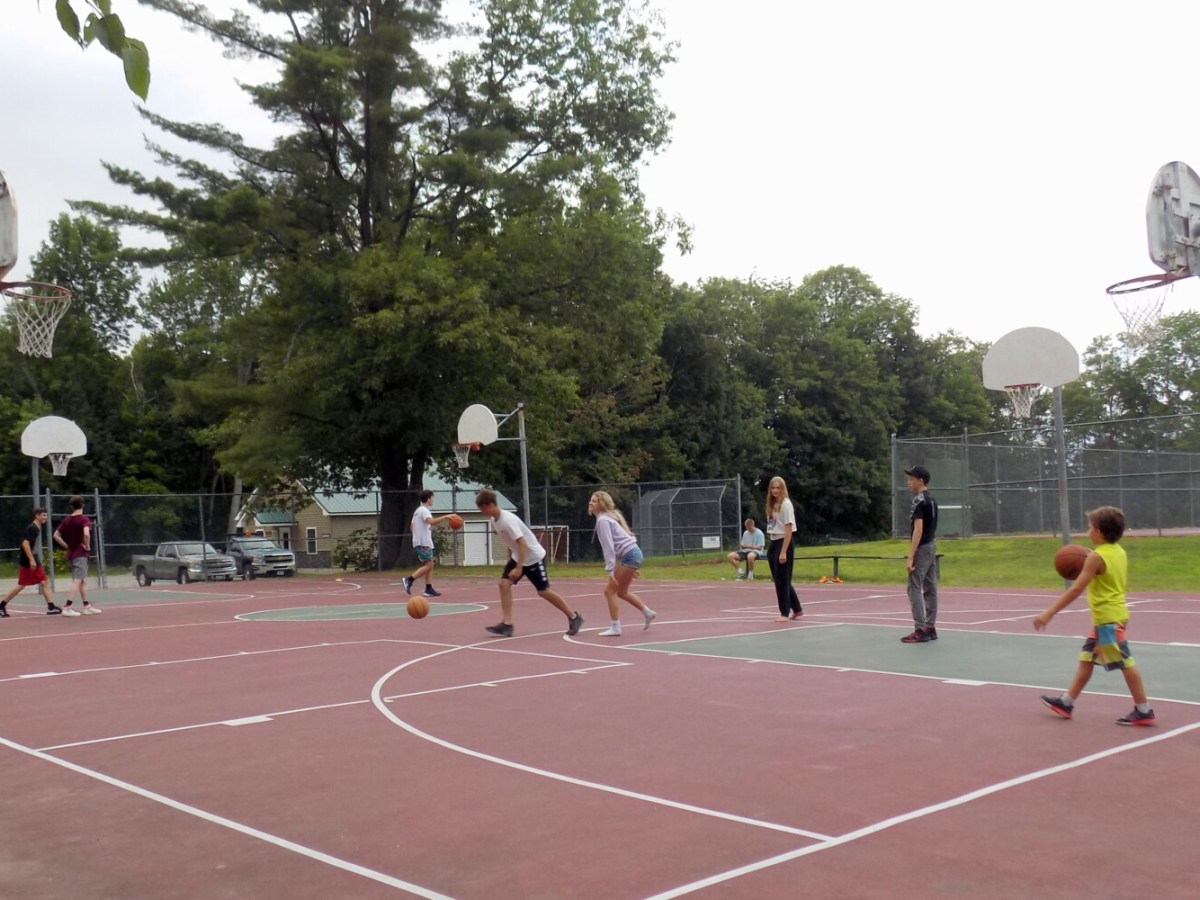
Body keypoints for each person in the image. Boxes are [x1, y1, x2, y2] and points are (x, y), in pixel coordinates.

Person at [1034, 506, 1156, 726]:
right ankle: (1066, 702)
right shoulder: (1118, 551)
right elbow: (1104, 565)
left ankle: (1143, 709)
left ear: (1099, 531)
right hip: (1113, 617)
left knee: (1125, 662)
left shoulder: (1096, 558)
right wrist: (1091, 555)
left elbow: (1076, 589)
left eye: (1090, 527)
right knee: (1087, 659)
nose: (1088, 531)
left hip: (1108, 621)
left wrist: (1049, 612)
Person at [476, 488, 583, 638]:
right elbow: (510, 543)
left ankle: (574, 617)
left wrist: (519, 568)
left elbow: (522, 543)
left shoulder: (507, 520)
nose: (482, 512)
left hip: (533, 557)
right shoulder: (494, 520)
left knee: (543, 591)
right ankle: (507, 624)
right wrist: (512, 562)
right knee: (504, 584)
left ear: (490, 505)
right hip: (518, 556)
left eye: (482, 508)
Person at [588, 491, 655, 637]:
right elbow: (618, 545)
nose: (590, 503)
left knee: (609, 591)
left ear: (602, 504)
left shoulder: (603, 520)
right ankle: (648, 612)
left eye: (594, 501)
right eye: (591, 500)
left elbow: (609, 547)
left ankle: (615, 627)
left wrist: (610, 571)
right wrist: (630, 568)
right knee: (622, 592)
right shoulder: (607, 518)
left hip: (630, 555)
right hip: (633, 555)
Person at [0, 508, 62, 617]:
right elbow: (25, 543)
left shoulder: (36, 527)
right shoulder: (33, 528)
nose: (45, 517)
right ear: (37, 515)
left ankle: (1, 606)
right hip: (29, 559)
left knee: (33, 583)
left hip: (31, 557)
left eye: (46, 515)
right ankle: (51, 607)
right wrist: (31, 559)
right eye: (43, 515)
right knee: (34, 583)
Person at [901, 465, 939, 643]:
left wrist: (911, 556)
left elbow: (918, 529)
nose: (908, 482)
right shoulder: (932, 500)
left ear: (921, 481)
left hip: (922, 547)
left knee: (914, 587)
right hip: (931, 545)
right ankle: (930, 627)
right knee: (930, 587)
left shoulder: (919, 500)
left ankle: (920, 629)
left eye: (911, 479)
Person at [53, 495, 100, 616]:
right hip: (80, 554)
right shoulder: (84, 519)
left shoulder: (67, 520)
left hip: (72, 553)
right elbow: (86, 534)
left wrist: (66, 545)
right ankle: (67, 607)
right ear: (83, 505)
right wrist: (87, 546)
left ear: (71, 506)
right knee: (77, 581)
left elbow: (56, 535)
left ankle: (86, 606)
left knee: (82, 580)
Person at [402, 490, 455, 598]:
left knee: (429, 565)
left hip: (421, 541)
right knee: (430, 565)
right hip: (423, 542)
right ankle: (409, 580)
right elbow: (431, 521)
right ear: (428, 498)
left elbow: (412, 527)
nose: (433, 500)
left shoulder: (417, 511)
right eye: (432, 498)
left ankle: (428, 589)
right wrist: (446, 517)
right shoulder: (424, 510)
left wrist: (417, 536)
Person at [764, 477, 802, 622]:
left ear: (783, 488)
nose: (775, 490)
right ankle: (797, 609)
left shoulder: (786, 504)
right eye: (773, 488)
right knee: (780, 579)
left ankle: (784, 612)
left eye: (778, 488)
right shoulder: (772, 504)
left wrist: (783, 551)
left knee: (782, 581)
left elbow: (788, 529)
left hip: (783, 542)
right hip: (774, 541)